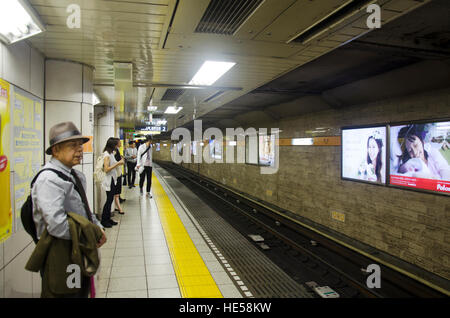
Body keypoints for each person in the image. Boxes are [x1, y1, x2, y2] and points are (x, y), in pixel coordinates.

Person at [32, 121, 106, 297]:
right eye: (73, 145)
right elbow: (57, 225)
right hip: (62, 255)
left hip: (77, 250)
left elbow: (84, 209)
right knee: (67, 293)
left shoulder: (74, 175)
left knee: (81, 291)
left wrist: (97, 227)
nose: (80, 150)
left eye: (80, 145)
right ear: (56, 150)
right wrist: (90, 235)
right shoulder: (48, 180)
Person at [101, 137, 124, 227]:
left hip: (112, 180)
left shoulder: (110, 154)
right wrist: (118, 163)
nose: (117, 146)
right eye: (115, 145)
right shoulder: (106, 155)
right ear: (112, 145)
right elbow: (106, 169)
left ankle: (108, 218)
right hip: (109, 180)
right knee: (109, 200)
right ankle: (104, 220)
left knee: (110, 200)